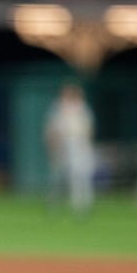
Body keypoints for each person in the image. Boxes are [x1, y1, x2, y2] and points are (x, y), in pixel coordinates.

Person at [43, 82, 96, 217]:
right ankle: (53, 204)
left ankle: (81, 206)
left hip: (79, 144)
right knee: (58, 177)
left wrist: (87, 144)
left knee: (80, 176)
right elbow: (51, 129)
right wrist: (52, 145)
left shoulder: (83, 108)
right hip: (62, 144)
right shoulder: (57, 108)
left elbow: (89, 128)